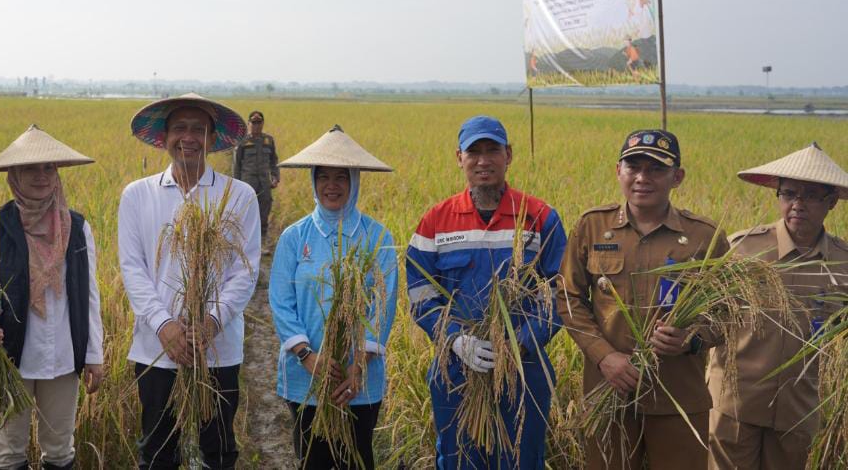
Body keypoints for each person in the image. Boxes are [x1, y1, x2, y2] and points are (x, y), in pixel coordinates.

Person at [557, 129, 729, 470]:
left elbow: (728, 313)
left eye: (655, 169)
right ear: (618, 171)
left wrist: (691, 340)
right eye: (633, 167)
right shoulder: (592, 226)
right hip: (610, 392)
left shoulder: (703, 237)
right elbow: (568, 298)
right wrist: (605, 358)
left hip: (678, 395)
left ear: (677, 177)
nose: (642, 178)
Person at [406, 116, 567, 470]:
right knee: (458, 459)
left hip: (524, 368)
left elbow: (563, 294)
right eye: (473, 151)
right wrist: (455, 340)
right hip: (456, 367)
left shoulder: (540, 217)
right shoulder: (435, 221)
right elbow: (420, 296)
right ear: (459, 158)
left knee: (521, 460)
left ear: (508, 155)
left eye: (492, 150)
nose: (483, 160)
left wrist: (520, 340)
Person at [119, 92, 261, 470]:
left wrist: (211, 323)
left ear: (212, 139)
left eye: (198, 130)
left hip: (218, 349)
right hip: (155, 351)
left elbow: (245, 272)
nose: (189, 137)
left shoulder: (239, 195)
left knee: (218, 450)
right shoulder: (137, 195)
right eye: (179, 128)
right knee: (158, 450)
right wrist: (165, 326)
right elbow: (133, 269)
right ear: (163, 137)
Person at [0, 125, 105, 470]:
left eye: (48, 168)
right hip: (9, 356)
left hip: (63, 352)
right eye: (30, 168)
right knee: (7, 449)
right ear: (14, 174)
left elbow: (89, 295)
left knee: (60, 448)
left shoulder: (77, 227)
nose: (41, 176)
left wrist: (94, 354)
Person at [707, 143, 848, 469]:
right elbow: (711, 316)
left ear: (831, 202)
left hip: (797, 408)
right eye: (789, 194)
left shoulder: (842, 262)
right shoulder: (743, 249)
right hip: (736, 403)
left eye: (811, 196)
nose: (798, 204)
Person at [268, 125, 399, 469]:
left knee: (356, 459)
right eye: (323, 176)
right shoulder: (295, 237)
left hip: (360, 380)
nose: (331, 185)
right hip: (305, 375)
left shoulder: (377, 237)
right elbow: (281, 301)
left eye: (341, 177)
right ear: (312, 181)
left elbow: (382, 308)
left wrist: (357, 364)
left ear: (355, 181)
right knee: (312, 459)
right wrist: (307, 356)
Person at [233, 110, 280, 238]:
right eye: (253, 122)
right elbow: (237, 165)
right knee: (247, 212)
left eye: (259, 122)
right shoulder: (242, 141)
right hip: (247, 182)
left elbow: (273, 161)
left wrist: (275, 177)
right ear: (248, 124)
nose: (256, 125)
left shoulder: (268, 140)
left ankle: (262, 241)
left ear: (263, 123)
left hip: (265, 183)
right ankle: (245, 241)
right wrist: (236, 185)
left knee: (264, 212)